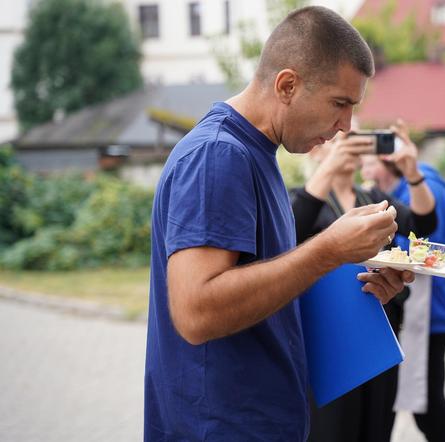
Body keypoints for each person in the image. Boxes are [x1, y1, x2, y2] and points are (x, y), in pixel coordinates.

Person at [144, 7, 415, 440]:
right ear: (287, 85)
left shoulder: (257, 153)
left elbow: (260, 296)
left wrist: (354, 291)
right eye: (339, 104)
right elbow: (196, 311)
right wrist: (326, 250)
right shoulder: (219, 155)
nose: (345, 126)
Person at [291, 126, 437, 442]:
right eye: (337, 139)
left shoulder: (373, 199)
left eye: (353, 138)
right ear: (316, 149)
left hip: (380, 324)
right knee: (332, 429)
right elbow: (292, 230)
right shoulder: (302, 197)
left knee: (376, 427)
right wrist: (327, 169)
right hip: (328, 337)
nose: (347, 145)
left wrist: (413, 173)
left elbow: (425, 224)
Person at [360, 121, 445, 442]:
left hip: (429, 315)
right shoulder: (390, 193)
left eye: (369, 160)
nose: (364, 167)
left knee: (427, 406)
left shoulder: (423, 188)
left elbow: (430, 242)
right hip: (414, 311)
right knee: (419, 403)